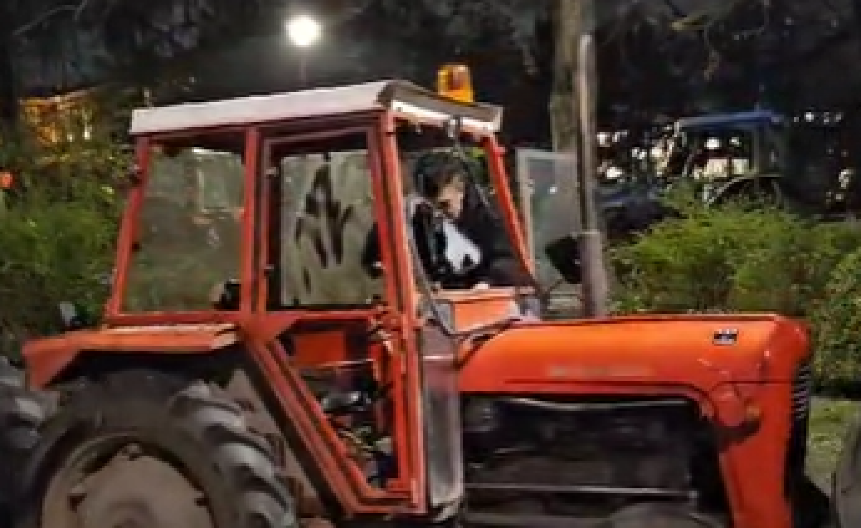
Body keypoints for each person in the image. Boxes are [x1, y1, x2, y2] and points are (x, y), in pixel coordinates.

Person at [362, 152, 529, 289]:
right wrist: (379, 263)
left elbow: (509, 260)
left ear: (461, 189)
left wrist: (486, 284)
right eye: (430, 206)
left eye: (444, 205)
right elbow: (379, 248)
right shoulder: (419, 215)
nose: (437, 214)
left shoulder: (491, 215)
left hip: (488, 300)